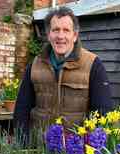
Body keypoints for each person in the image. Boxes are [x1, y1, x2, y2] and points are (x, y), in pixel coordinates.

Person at [14, 7, 112, 139]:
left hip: (76, 151)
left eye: (66, 30)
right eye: (55, 30)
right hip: (39, 148)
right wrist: (22, 143)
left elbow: (103, 112)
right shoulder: (35, 65)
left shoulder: (93, 65)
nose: (60, 36)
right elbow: (22, 109)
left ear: (75, 35)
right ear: (49, 35)